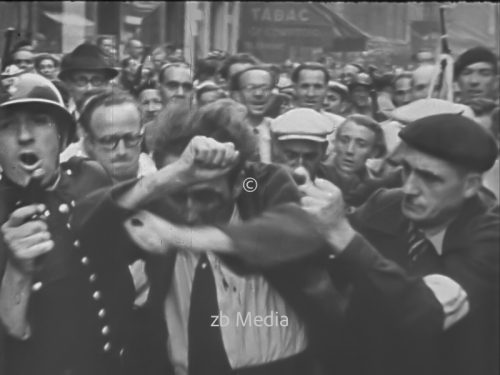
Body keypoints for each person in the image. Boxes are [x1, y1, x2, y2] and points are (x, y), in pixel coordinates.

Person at [0, 73, 254, 375]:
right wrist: (17, 271)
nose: (24, 135)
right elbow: (12, 339)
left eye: (40, 121)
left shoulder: (90, 176)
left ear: (63, 135)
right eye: (7, 126)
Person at [125, 99, 343, 375]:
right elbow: (90, 221)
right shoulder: (156, 200)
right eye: (179, 194)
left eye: (205, 195)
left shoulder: (261, 187)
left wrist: (189, 238)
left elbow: (297, 229)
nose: (190, 213)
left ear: (238, 182)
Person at [298, 113, 499, 375]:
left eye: (430, 177)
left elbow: (425, 313)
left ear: (471, 185)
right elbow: (319, 256)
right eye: (406, 170)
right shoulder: (387, 204)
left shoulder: (490, 236)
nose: (410, 188)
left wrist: (342, 234)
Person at [58, 43, 119, 116]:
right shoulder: (60, 117)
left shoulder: (116, 118)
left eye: (96, 81)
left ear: (106, 85)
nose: (89, 88)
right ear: (68, 84)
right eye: (81, 80)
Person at [231, 66, 275, 163]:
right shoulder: (228, 130)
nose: (258, 94)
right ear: (236, 95)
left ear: (272, 96)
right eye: (250, 88)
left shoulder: (278, 129)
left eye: (265, 88)